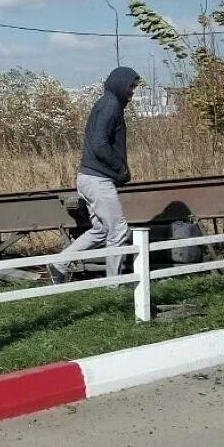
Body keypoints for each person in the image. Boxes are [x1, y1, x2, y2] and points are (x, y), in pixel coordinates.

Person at [50, 66, 140, 284]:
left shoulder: (108, 103)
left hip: (89, 178)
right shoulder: (111, 106)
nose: (132, 92)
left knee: (100, 230)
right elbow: (100, 145)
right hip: (98, 179)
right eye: (131, 87)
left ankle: (59, 264)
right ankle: (113, 286)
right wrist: (120, 169)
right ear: (120, 84)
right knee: (118, 231)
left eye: (134, 87)